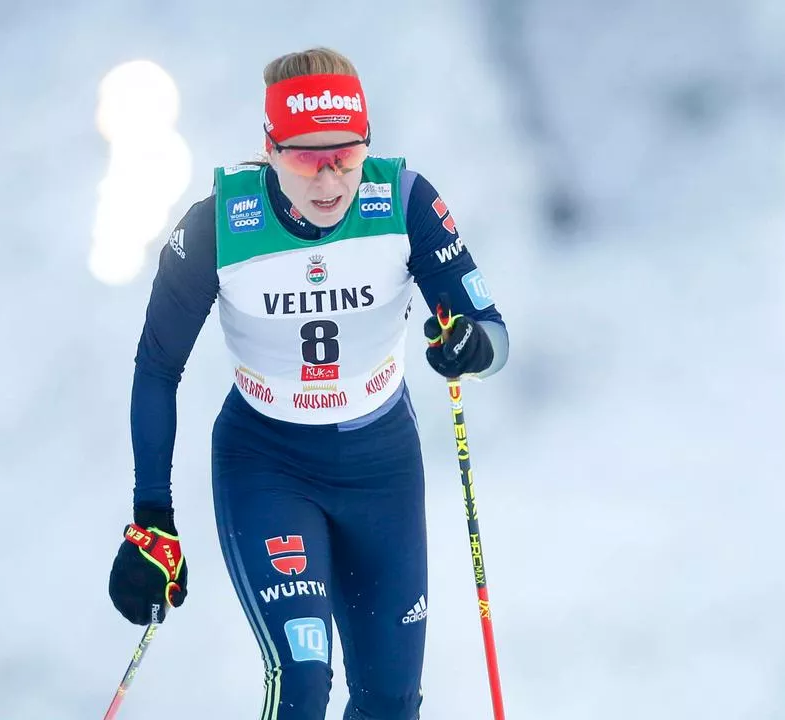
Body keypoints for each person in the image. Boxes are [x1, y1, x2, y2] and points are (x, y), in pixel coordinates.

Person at [108, 47, 510, 720]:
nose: (328, 181)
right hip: (269, 465)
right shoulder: (215, 226)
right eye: (303, 158)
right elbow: (157, 366)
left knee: (389, 702)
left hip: (382, 465)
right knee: (301, 676)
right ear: (269, 149)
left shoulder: (405, 201)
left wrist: (468, 344)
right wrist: (152, 521)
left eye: (345, 157)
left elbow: (492, 334)